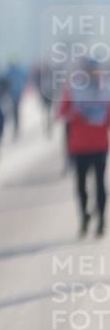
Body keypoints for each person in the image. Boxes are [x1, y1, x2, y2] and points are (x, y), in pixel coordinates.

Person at [58, 58, 110, 238]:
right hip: (79, 146)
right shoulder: (73, 89)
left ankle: (101, 220)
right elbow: (62, 113)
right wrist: (76, 114)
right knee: (81, 185)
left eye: (92, 69)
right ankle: (84, 217)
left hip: (99, 144)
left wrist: (101, 117)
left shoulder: (105, 89)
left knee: (100, 184)